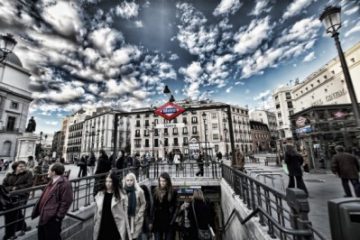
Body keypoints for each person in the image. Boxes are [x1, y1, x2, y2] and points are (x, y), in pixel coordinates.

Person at [31, 163, 73, 240]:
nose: (47, 172)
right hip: (45, 216)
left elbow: (66, 201)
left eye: (49, 170)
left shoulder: (65, 184)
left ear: (53, 172)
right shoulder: (53, 181)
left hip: (52, 218)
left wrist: (58, 217)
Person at [93, 172, 131, 240]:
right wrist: (95, 222)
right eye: (106, 181)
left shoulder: (121, 195)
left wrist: (127, 228)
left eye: (110, 181)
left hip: (115, 226)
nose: (108, 183)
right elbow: (96, 212)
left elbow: (125, 213)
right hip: (102, 226)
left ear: (114, 182)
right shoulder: (100, 194)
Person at [3, 161, 33, 239]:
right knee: (16, 211)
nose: (22, 167)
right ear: (15, 167)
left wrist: (16, 188)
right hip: (10, 197)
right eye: (20, 166)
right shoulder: (9, 175)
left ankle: (10, 234)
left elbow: (29, 185)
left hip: (21, 196)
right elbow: (3, 186)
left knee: (10, 212)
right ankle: (23, 227)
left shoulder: (28, 174)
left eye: (24, 166)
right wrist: (11, 188)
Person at [151, 172, 178, 240]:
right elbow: (153, 206)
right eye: (160, 180)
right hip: (158, 220)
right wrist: (151, 221)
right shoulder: (155, 191)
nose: (162, 183)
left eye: (164, 181)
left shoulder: (173, 192)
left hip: (168, 219)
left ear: (167, 181)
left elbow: (176, 207)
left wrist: (172, 220)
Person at [123, 173, 146, 240]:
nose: (129, 182)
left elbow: (143, 203)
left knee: (136, 236)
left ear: (134, 181)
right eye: (127, 180)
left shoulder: (139, 191)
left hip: (136, 217)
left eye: (131, 180)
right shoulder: (123, 192)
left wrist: (139, 215)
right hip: (126, 218)